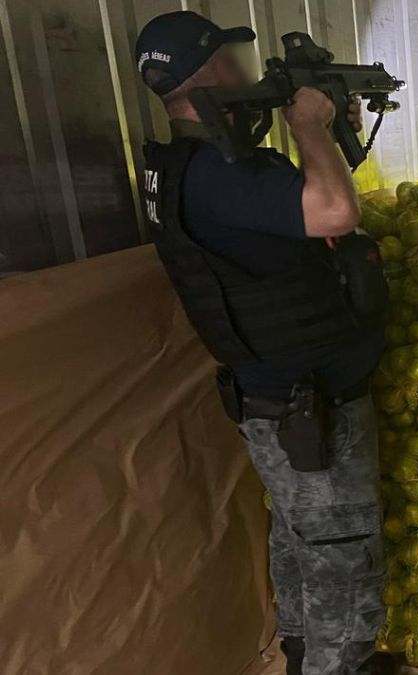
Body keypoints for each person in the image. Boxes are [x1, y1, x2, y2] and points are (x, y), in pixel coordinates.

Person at [133, 11, 388, 675]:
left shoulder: (190, 165)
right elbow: (334, 211)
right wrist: (307, 126)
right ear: (212, 73)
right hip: (309, 403)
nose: (246, 72)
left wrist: (328, 136)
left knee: (303, 536)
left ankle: (303, 652)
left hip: (275, 395)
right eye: (233, 60)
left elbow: (292, 207)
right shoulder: (219, 175)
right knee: (343, 556)